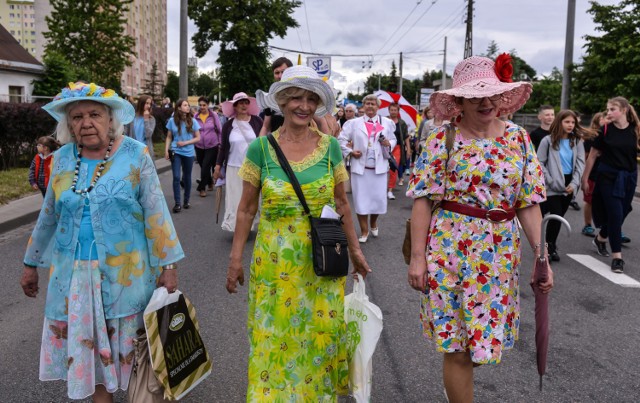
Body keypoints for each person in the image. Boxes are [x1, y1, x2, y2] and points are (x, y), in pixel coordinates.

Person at [20, 82, 183, 401]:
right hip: (75, 279)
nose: (86, 122)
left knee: (135, 356)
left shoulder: (136, 155)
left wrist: (169, 266)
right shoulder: (62, 160)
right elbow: (49, 215)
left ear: (111, 119)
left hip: (127, 277)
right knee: (90, 359)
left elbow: (156, 213)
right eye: (77, 116)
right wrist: (30, 264)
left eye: (94, 114)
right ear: (68, 124)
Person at [407, 55, 552, 403]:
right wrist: (417, 259)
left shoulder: (518, 139)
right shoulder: (443, 137)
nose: (485, 102)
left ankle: (457, 391)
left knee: (481, 342)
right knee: (457, 346)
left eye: (491, 94)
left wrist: (541, 256)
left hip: (499, 254)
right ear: (459, 100)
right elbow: (423, 200)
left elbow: (528, 202)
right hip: (449, 249)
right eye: (475, 95)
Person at [227, 65, 371, 401]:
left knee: (319, 337)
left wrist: (356, 252)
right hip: (273, 269)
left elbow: (342, 204)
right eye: (296, 98)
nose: (303, 106)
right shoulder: (260, 150)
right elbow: (247, 209)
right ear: (282, 101)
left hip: (321, 264)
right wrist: (235, 259)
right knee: (273, 338)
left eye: (310, 99)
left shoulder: (331, 148)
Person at [582, 96, 639, 273]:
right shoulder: (604, 130)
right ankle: (617, 258)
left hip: (629, 177)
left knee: (623, 211)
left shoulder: (635, 130)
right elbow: (592, 155)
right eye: (607, 110)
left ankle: (601, 237)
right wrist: (585, 179)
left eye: (612, 109)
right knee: (615, 214)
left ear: (623, 110)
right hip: (607, 177)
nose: (609, 113)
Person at [338, 94, 396, 242]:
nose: (370, 106)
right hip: (360, 169)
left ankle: (373, 222)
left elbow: (393, 139)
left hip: (379, 168)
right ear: (363, 106)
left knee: (378, 200)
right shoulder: (353, 123)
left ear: (378, 107)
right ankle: (364, 231)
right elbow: (341, 140)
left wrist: (389, 144)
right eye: (367, 103)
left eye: (373, 104)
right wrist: (351, 152)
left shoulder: (387, 122)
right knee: (361, 201)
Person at [537, 110, 587, 261]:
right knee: (556, 215)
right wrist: (551, 181)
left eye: (573, 122)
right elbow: (539, 163)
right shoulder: (548, 140)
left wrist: (574, 183)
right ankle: (550, 248)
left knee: (558, 217)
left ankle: (548, 243)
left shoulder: (577, 141)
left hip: (569, 185)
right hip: (552, 185)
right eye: (567, 122)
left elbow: (580, 164)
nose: (570, 125)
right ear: (559, 122)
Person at [214, 92, 262, 232]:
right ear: (234, 106)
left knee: (253, 199)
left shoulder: (257, 121)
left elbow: (263, 143)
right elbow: (223, 148)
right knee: (235, 199)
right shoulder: (229, 125)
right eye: (240, 102)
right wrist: (217, 166)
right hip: (233, 168)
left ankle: (251, 225)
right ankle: (237, 227)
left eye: (246, 102)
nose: (243, 105)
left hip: (253, 168)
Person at [165, 98, 201, 213]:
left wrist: (185, 143)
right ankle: (177, 203)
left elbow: (198, 138)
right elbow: (169, 136)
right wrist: (166, 150)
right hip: (176, 151)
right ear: (179, 107)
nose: (188, 107)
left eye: (188, 105)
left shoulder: (193, 121)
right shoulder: (172, 121)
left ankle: (186, 201)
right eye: (185, 105)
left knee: (187, 177)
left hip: (189, 153)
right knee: (176, 177)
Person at [581, 112, 607, 237]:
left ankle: (610, 227)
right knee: (590, 201)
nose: (607, 120)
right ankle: (587, 225)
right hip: (593, 173)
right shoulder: (591, 137)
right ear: (597, 121)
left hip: (607, 175)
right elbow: (585, 157)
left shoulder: (611, 135)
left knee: (609, 202)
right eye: (604, 118)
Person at [194, 96, 222, 197]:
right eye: (200, 105)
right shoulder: (195, 117)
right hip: (199, 146)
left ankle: (201, 188)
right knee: (203, 166)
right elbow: (193, 131)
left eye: (204, 105)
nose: (202, 107)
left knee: (205, 165)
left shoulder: (213, 116)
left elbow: (219, 130)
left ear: (208, 105)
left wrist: (220, 143)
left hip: (212, 146)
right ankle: (209, 181)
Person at [258, 57, 293, 136]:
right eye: (277, 73)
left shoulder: (302, 94)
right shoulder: (269, 98)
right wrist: (259, 146)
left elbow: (320, 122)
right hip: (276, 146)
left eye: (283, 72)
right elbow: (266, 127)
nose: (280, 76)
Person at [387, 102, 411, 195]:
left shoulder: (402, 123)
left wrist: (408, 149)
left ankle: (390, 190)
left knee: (393, 168)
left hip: (397, 148)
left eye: (395, 110)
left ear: (398, 111)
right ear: (389, 110)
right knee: (384, 169)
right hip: (385, 147)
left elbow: (406, 137)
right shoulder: (384, 120)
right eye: (391, 110)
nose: (393, 112)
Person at [124, 94, 156, 160]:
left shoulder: (151, 119)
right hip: (133, 151)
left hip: (145, 151)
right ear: (141, 103)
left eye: (150, 104)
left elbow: (148, 135)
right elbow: (125, 134)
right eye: (147, 103)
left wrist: (146, 120)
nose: (149, 106)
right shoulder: (132, 117)